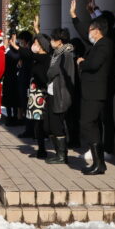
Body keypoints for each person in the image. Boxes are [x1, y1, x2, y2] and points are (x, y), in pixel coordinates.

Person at [71, 0, 115, 154]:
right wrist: (75, 16)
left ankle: (107, 150)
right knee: (94, 119)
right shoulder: (99, 41)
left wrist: (96, 11)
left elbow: (102, 27)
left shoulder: (112, 38)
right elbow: (85, 33)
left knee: (106, 116)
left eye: (95, 27)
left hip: (106, 83)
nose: (90, 31)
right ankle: (97, 149)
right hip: (95, 85)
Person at [76, 17, 113, 175]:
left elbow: (94, 64)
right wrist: (74, 18)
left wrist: (82, 63)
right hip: (91, 91)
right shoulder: (97, 44)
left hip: (95, 91)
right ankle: (99, 163)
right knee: (92, 124)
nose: (88, 33)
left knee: (87, 123)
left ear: (97, 31)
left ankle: (98, 163)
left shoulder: (104, 44)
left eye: (90, 30)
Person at [45, 27, 76, 164]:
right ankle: (58, 152)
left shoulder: (66, 54)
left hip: (61, 93)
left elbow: (54, 72)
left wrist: (49, 73)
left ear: (60, 41)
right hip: (53, 91)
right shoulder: (57, 53)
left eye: (53, 39)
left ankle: (62, 155)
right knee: (51, 124)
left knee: (57, 124)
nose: (51, 41)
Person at [28, 16, 53, 159]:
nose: (34, 45)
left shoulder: (45, 58)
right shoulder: (40, 58)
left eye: (36, 42)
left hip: (41, 93)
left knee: (41, 122)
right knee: (38, 122)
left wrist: (37, 30)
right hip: (36, 93)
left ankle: (43, 149)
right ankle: (41, 148)